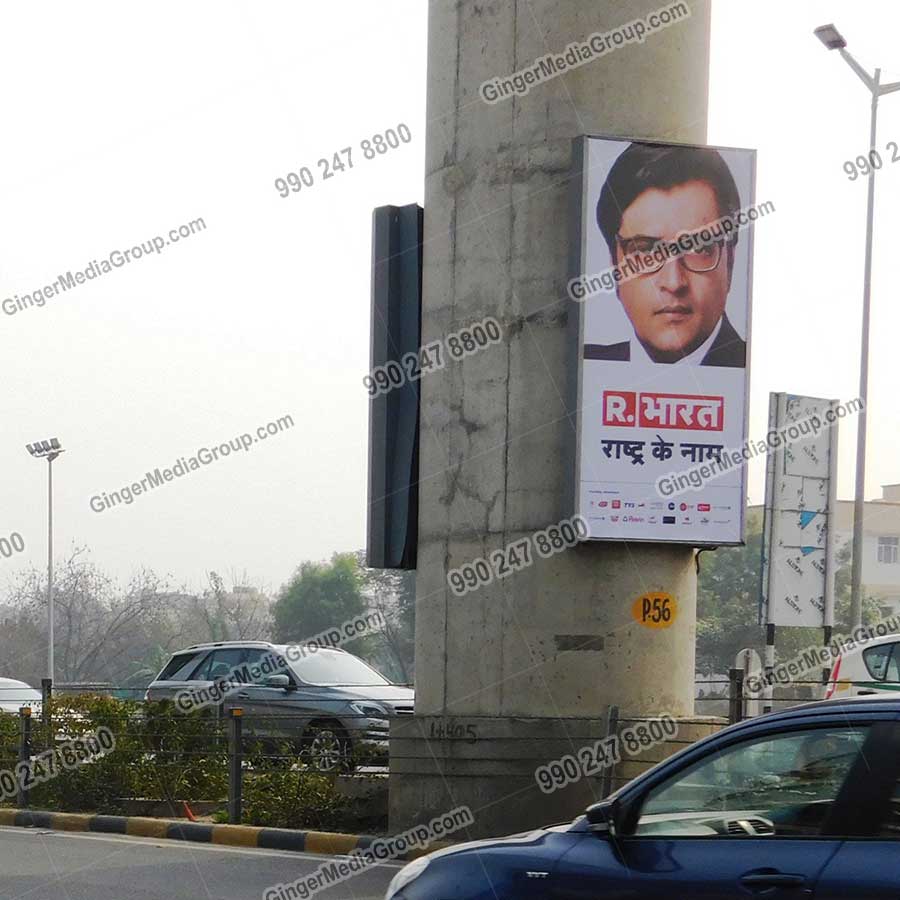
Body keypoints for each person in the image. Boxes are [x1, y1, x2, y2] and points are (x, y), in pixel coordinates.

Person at [586, 142, 747, 367]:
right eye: (646, 250)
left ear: (730, 262)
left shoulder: (754, 372)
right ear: (614, 266)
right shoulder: (587, 366)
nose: (673, 283)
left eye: (698, 248)